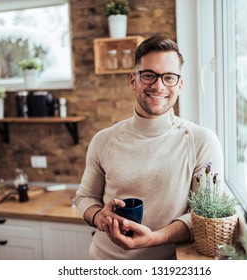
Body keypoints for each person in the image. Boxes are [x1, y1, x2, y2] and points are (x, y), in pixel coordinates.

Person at [75, 35, 224, 259]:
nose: (158, 85)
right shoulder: (103, 140)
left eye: (169, 78)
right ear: (133, 80)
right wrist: (99, 218)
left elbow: (204, 218)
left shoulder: (201, 141)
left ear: (180, 85)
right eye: (148, 75)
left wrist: (155, 238)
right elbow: (85, 197)